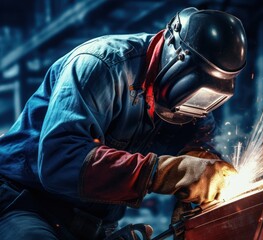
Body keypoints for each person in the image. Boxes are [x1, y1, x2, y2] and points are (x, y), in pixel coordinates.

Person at [0, 7, 247, 240]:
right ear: (176, 57)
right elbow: (59, 160)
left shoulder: (198, 101)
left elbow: (202, 155)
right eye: (193, 84)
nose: (197, 101)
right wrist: (160, 173)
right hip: (24, 202)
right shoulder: (102, 65)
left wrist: (200, 183)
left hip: (93, 221)